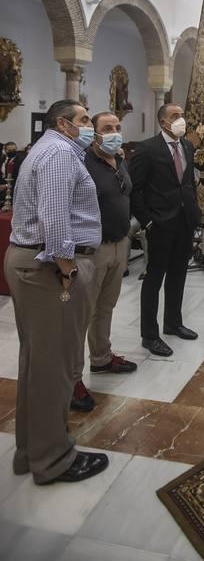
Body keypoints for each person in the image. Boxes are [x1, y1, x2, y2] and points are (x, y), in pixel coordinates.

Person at [4, 99, 108, 485]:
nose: (90, 127)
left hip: (32, 261)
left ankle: (31, 451)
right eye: (84, 120)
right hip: (48, 267)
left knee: (38, 361)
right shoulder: (61, 153)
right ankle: (54, 460)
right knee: (56, 367)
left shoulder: (45, 149)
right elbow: (55, 213)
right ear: (63, 124)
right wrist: (67, 267)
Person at [71, 111, 137, 413]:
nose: (113, 132)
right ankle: (72, 379)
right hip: (92, 249)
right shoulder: (82, 162)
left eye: (117, 127)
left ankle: (101, 358)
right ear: (94, 133)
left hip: (119, 242)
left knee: (106, 306)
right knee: (80, 314)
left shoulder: (119, 160)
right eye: (106, 128)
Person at [129, 103, 200, 357]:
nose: (181, 119)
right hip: (159, 222)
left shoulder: (187, 146)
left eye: (182, 115)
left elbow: (188, 182)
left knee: (179, 274)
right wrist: (146, 220)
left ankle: (173, 322)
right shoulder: (147, 149)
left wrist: (194, 212)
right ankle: (150, 335)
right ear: (162, 122)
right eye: (175, 116)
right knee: (154, 278)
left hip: (184, 220)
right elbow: (134, 189)